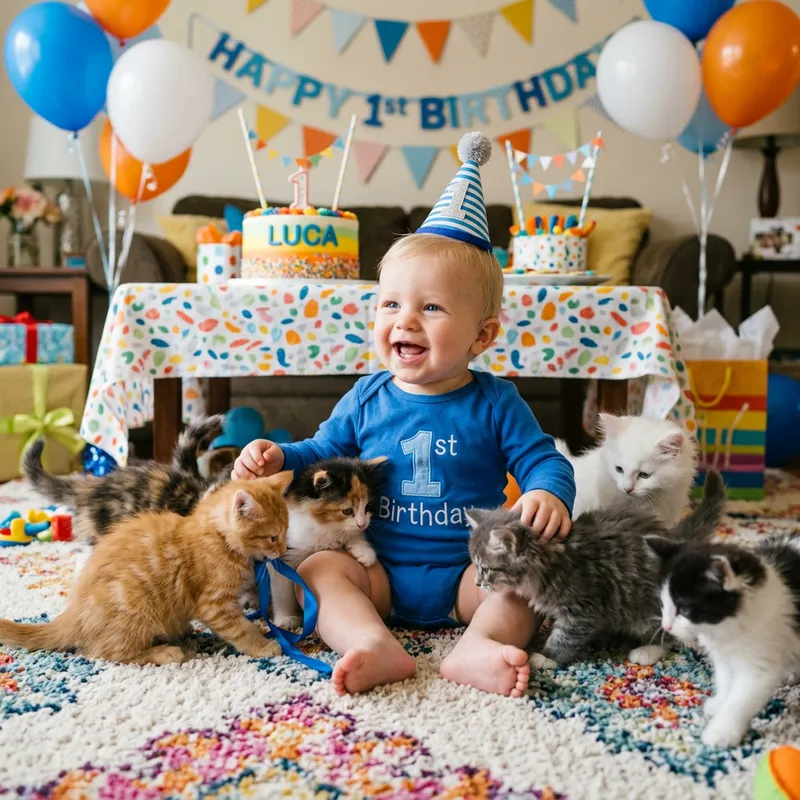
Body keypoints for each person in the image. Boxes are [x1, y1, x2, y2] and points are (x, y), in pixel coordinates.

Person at [232, 133, 575, 697]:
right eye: (391, 304)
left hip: (472, 574)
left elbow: (542, 459)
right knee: (321, 570)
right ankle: (370, 641)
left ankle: (478, 647)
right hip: (378, 572)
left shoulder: (496, 400)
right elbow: (321, 454)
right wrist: (278, 457)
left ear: (482, 335)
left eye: (432, 307)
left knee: (527, 581)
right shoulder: (368, 396)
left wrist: (549, 493)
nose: (405, 321)